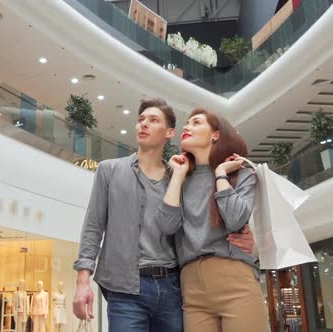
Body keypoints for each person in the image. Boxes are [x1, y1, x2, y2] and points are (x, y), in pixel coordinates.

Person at [73, 99, 255, 331]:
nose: (144, 124)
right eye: (140, 120)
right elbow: (93, 226)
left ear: (169, 133)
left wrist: (249, 238)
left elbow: (201, 224)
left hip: (174, 288)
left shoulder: (180, 178)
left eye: (153, 120)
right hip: (125, 289)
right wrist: (82, 280)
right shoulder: (109, 170)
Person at [155, 108, 268, 332]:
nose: (186, 127)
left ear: (215, 134)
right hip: (192, 286)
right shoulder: (180, 178)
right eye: (186, 123)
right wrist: (177, 176)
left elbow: (235, 220)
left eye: (196, 122)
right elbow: (167, 226)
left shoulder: (241, 174)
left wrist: (220, 175)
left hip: (235, 281)